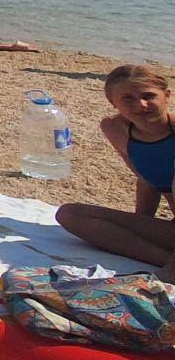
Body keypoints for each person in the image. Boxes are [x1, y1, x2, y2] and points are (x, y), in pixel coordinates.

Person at [57, 65, 175, 275]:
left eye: (149, 96)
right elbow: (146, 179)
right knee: (69, 214)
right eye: (128, 98)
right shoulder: (116, 129)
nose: (141, 105)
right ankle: (165, 260)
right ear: (113, 102)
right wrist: (140, 223)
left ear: (166, 96)